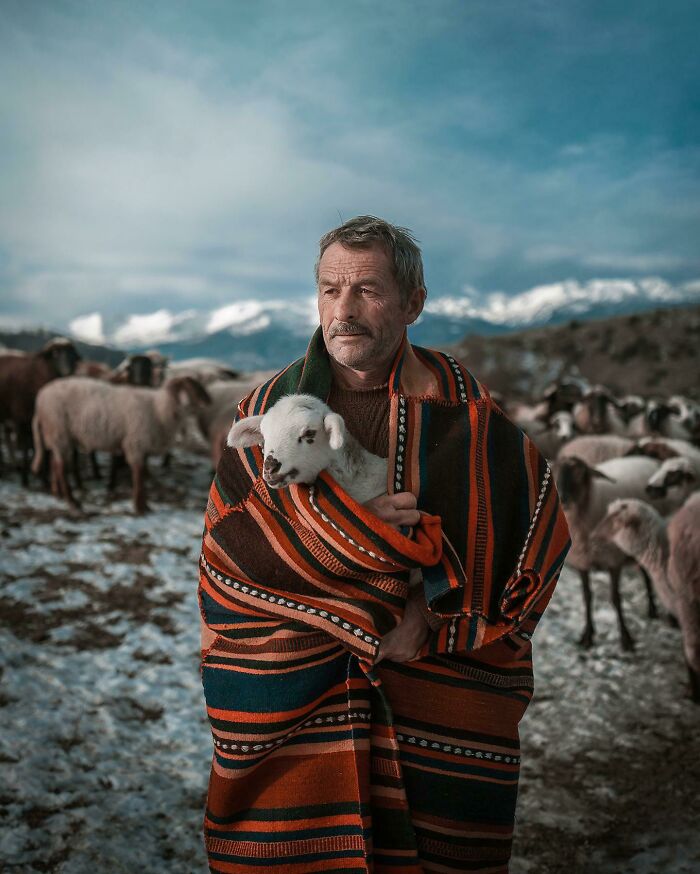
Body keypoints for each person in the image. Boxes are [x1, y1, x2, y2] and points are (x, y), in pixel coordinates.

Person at [198, 216, 571, 873]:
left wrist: (429, 619)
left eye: (367, 291)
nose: (343, 310)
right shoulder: (266, 411)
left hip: (435, 704)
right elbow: (229, 560)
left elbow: (532, 540)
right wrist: (354, 540)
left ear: (413, 304)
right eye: (329, 289)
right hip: (300, 699)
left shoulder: (469, 419)